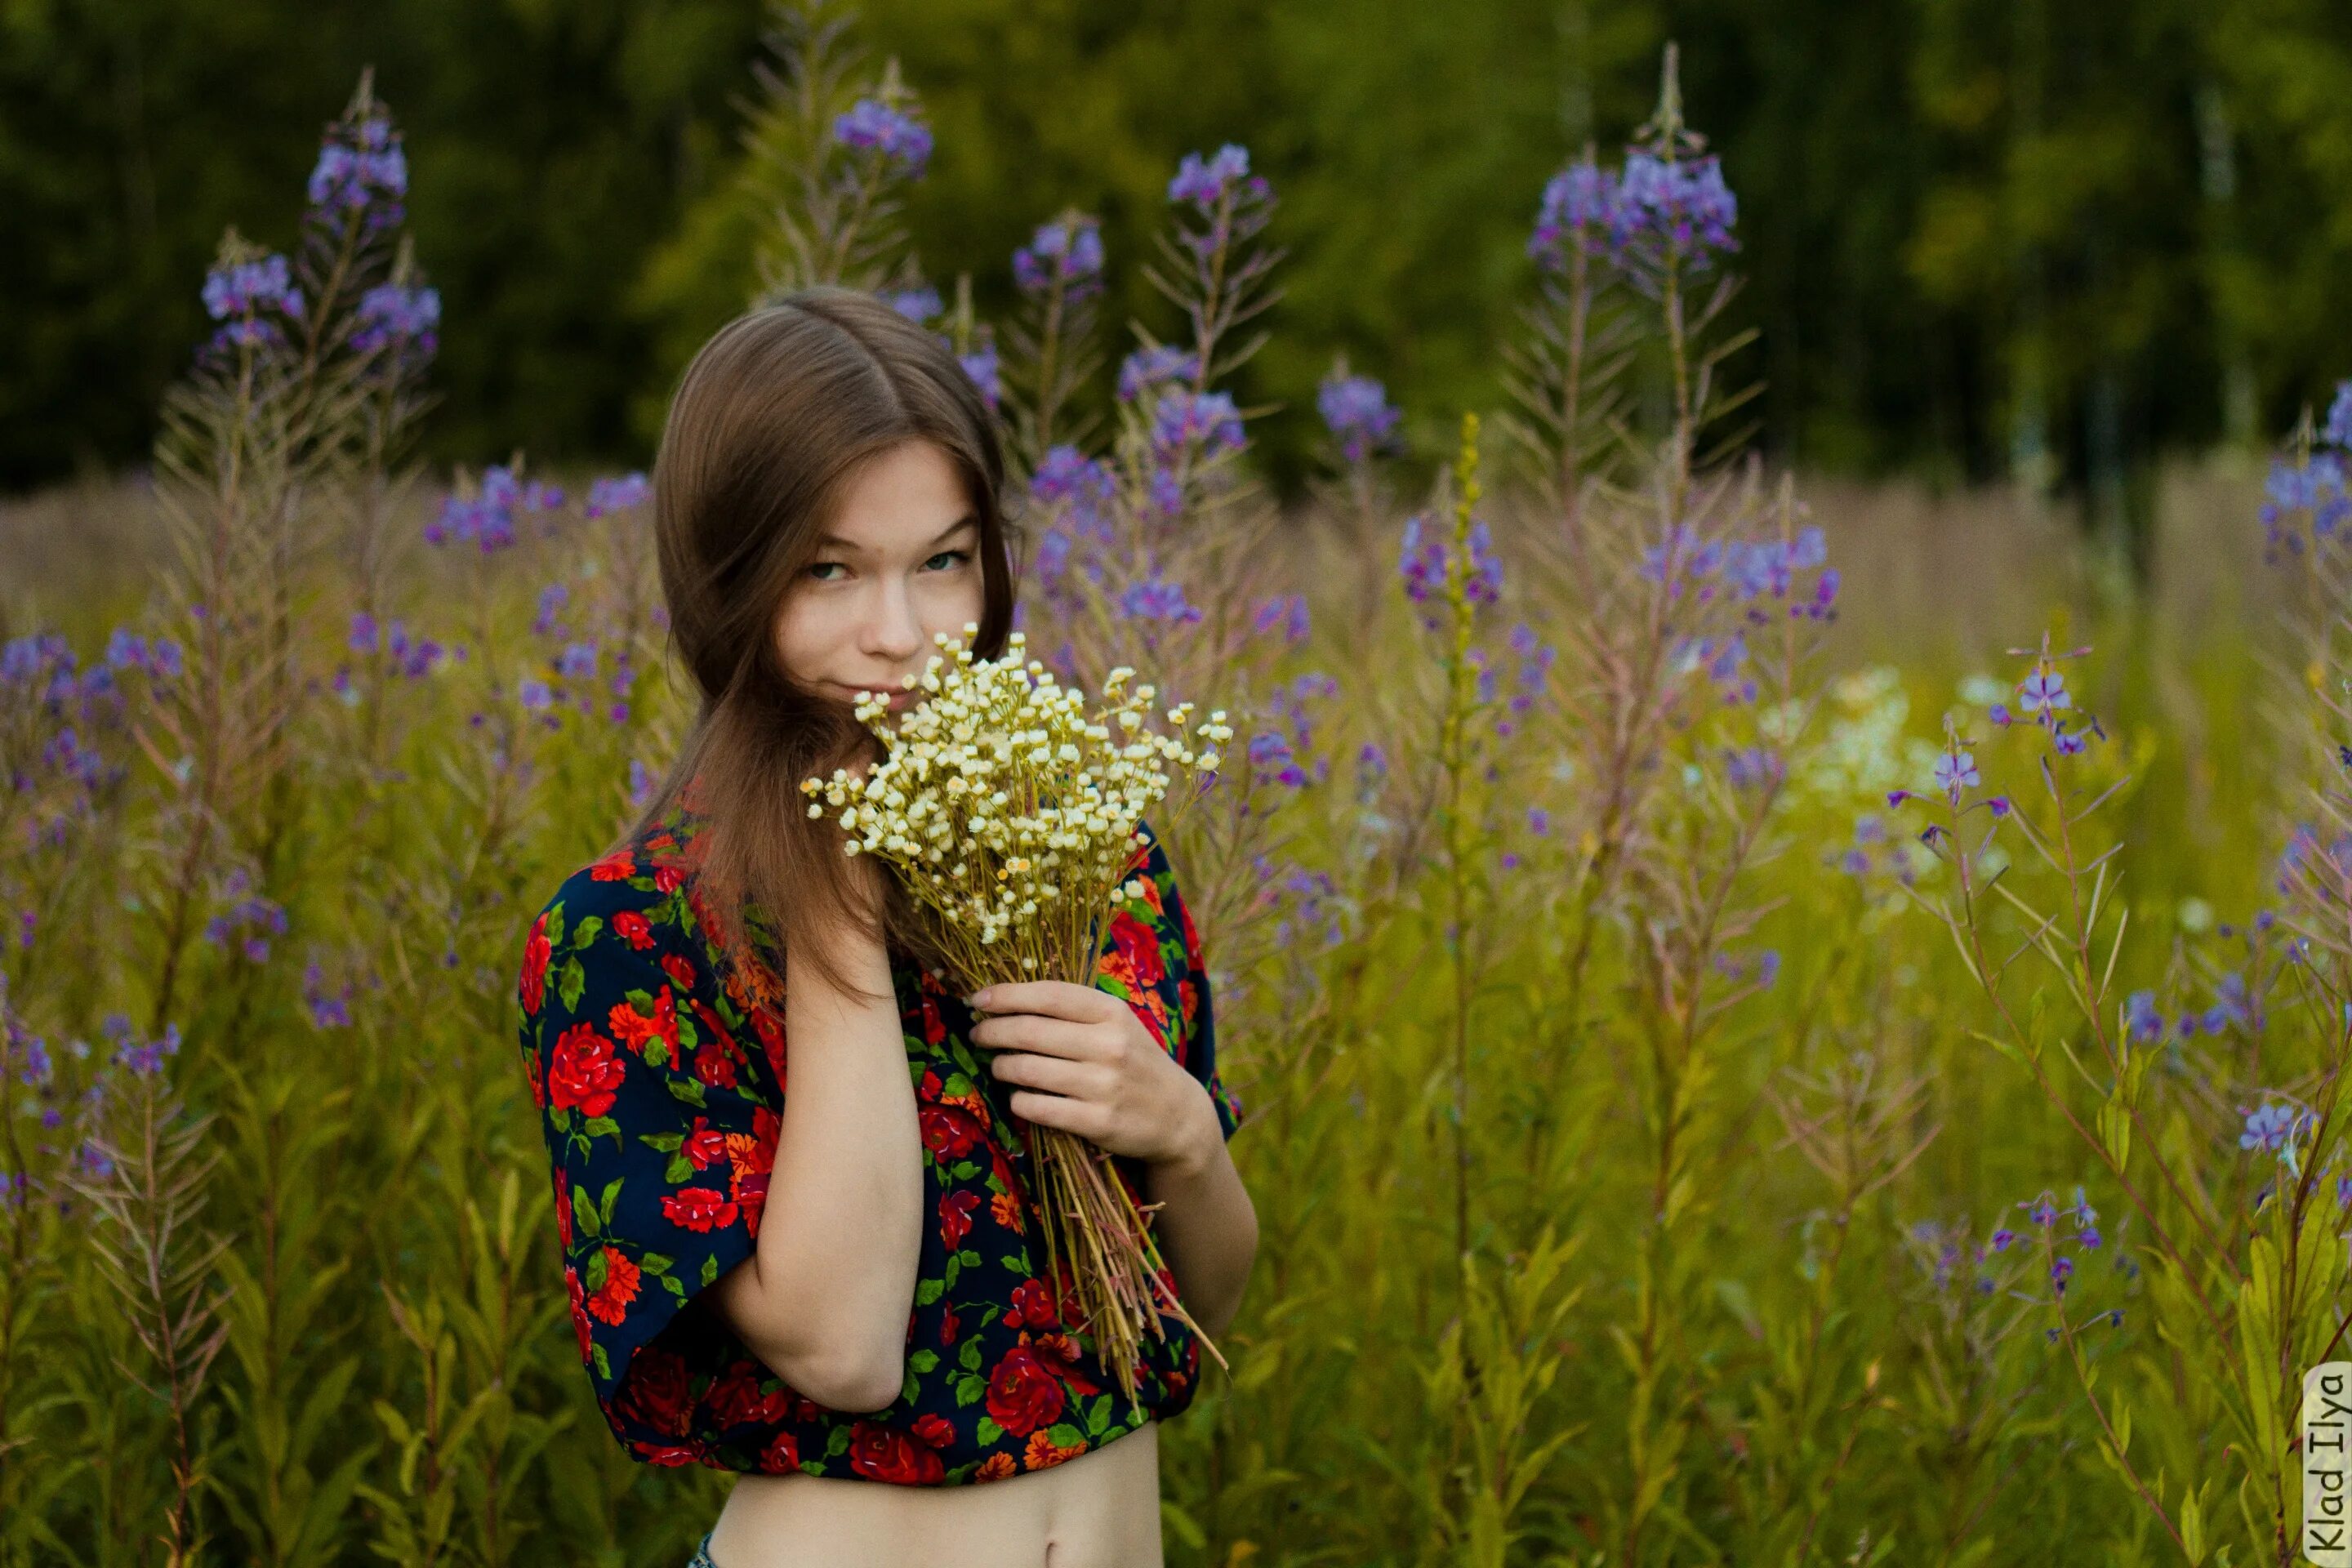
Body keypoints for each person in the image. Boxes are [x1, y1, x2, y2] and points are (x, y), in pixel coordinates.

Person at [514, 287, 1258, 1568]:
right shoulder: (630, 940)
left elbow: (1196, 1310)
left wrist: (1185, 1136)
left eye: (944, 562)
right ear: (727, 578)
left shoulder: (1084, 866)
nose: (903, 639)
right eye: (829, 570)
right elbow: (844, 1350)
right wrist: (839, 909)